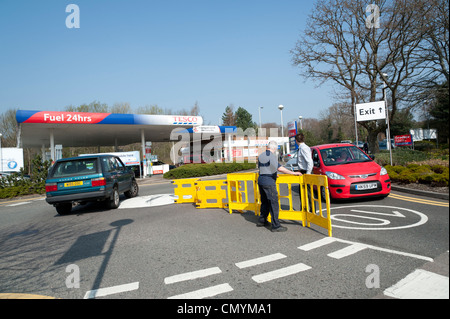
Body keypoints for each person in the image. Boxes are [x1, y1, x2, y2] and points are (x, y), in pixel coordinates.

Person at [257, 141, 302, 232]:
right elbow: (279, 168)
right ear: (274, 148)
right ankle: (276, 226)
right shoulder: (271, 156)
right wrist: (293, 173)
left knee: (265, 202)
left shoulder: (261, 155)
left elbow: (263, 168)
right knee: (274, 203)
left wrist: (273, 174)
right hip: (269, 182)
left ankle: (262, 221)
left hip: (261, 180)